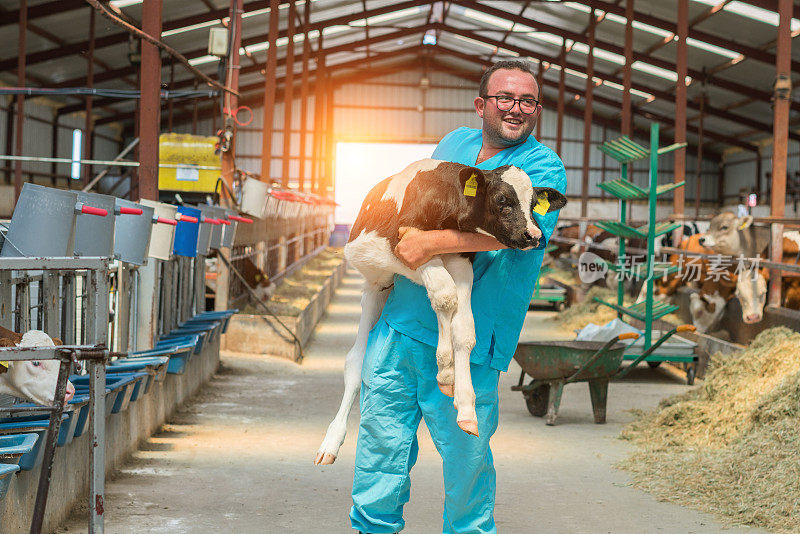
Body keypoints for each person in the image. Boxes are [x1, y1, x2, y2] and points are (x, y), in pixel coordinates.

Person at [350, 59, 567, 534]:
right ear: (481, 104)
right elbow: (424, 204)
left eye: (527, 100)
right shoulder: (454, 144)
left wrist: (428, 243)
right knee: (380, 448)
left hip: (472, 336)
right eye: (505, 98)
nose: (516, 109)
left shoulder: (541, 166)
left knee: (466, 462)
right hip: (403, 321)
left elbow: (520, 233)